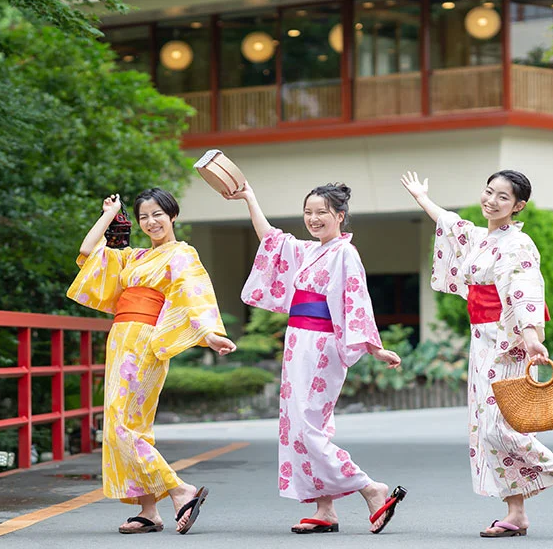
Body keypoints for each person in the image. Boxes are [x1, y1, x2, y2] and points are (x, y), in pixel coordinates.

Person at [400, 170, 553, 537]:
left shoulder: (518, 244)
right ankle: (515, 513)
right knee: (488, 429)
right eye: (488, 192)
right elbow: (452, 225)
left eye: (503, 197)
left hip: (506, 341)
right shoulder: (481, 238)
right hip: (481, 340)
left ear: (518, 206)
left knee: (499, 426)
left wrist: (531, 338)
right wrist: (422, 198)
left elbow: (523, 291)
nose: (491, 201)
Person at [225, 181, 406, 534]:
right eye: (308, 212)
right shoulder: (309, 251)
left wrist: (374, 346)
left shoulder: (345, 253)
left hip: (322, 344)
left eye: (322, 212)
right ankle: (324, 509)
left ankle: (370, 487)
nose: (314, 219)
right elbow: (272, 241)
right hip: (298, 342)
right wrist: (250, 197)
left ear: (340, 215)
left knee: (307, 425)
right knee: (299, 425)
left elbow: (356, 301)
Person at [67, 188, 237, 535]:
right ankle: (148, 510)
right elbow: (87, 253)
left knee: (121, 425)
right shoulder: (134, 257)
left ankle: (179, 489)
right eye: (144, 216)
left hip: (145, 341)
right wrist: (108, 215)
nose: (151, 222)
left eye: (158, 214)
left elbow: (194, 295)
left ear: (173, 215)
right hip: (120, 339)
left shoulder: (182, 254)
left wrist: (209, 334)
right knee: (131, 424)